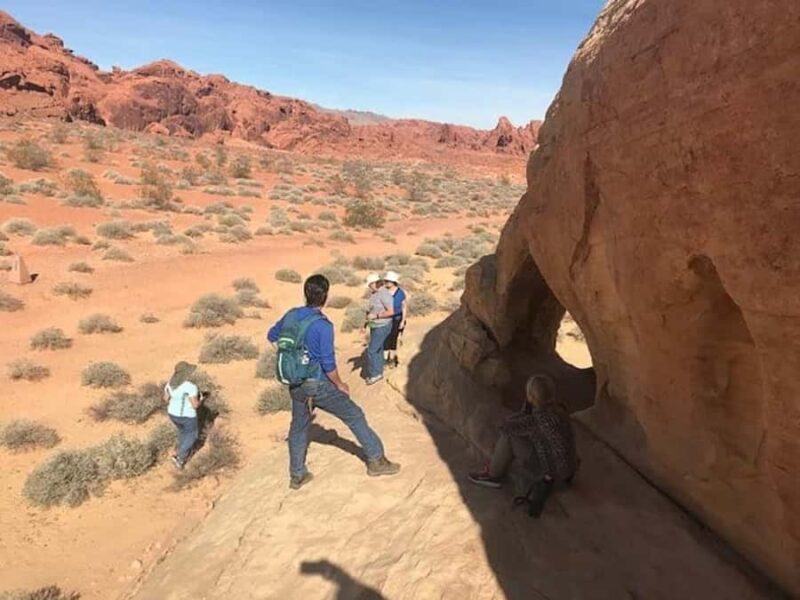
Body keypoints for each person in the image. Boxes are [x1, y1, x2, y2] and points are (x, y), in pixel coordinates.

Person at [268, 274, 401, 490]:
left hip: (295, 384)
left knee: (299, 427)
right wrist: (339, 384)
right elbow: (328, 362)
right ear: (326, 296)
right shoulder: (323, 325)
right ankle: (376, 460)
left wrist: (296, 358)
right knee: (354, 415)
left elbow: (272, 336)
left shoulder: (291, 315)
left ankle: (297, 475)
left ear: (306, 293)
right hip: (319, 385)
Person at [468, 374, 577, 517]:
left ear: (531, 397)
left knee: (509, 438)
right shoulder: (560, 409)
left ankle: (493, 475)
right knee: (529, 437)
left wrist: (524, 410)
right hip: (569, 469)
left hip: (552, 474)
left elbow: (505, 427)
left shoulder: (536, 419)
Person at [163, 361, 201, 470]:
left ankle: (179, 449)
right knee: (192, 435)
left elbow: (165, 399)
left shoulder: (170, 383)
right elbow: (195, 405)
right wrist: (201, 400)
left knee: (183, 432)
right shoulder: (190, 387)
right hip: (187, 415)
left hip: (172, 414)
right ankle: (180, 457)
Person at [364, 273, 394, 385]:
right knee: (378, 349)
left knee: (372, 350)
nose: (369, 287)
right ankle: (379, 370)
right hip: (375, 325)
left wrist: (376, 316)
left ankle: (375, 374)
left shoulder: (384, 294)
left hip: (382, 326)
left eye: (369, 285)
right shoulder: (375, 293)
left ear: (374, 283)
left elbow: (391, 311)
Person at [382, 271, 407, 369]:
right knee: (385, 338)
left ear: (393, 282)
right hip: (385, 318)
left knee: (393, 338)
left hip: (397, 318)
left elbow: (404, 307)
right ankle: (384, 360)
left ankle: (391, 359)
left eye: (388, 281)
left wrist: (403, 321)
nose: (387, 282)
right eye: (386, 281)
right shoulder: (383, 292)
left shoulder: (400, 293)